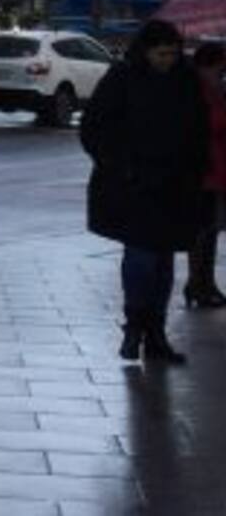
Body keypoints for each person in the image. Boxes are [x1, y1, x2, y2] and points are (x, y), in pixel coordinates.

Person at [80, 19, 209, 363]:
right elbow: (95, 127)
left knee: (163, 260)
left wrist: (195, 172)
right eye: (160, 54)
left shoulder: (185, 80)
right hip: (133, 185)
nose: (167, 60)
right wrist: (121, 166)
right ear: (146, 51)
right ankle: (135, 325)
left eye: (172, 54)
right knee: (142, 256)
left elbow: (199, 130)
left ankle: (155, 333)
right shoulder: (122, 78)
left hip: (175, 185)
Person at [186, 41, 226, 308]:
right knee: (202, 230)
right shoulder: (194, 92)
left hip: (219, 170)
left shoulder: (216, 90)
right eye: (220, 67)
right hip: (203, 171)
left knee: (212, 230)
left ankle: (206, 282)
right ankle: (197, 283)